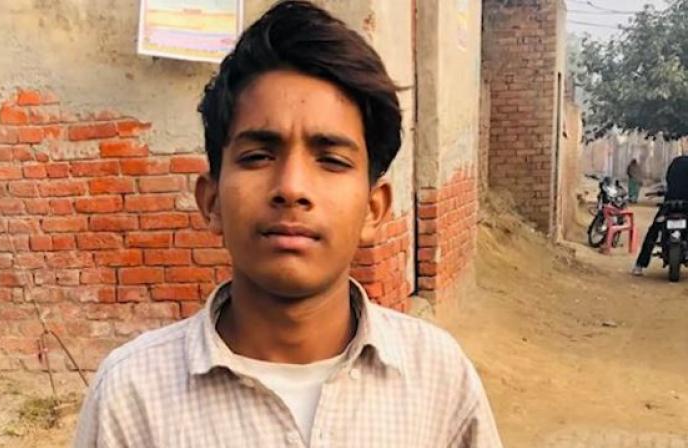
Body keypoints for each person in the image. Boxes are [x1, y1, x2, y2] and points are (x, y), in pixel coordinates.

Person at [73, 1, 502, 446]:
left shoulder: (439, 381)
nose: (292, 187)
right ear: (211, 201)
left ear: (373, 210)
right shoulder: (132, 396)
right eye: (258, 156)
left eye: (331, 160)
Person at [632, 154, 688, 276]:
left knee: (653, 232)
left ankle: (640, 264)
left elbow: (667, 183)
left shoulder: (676, 164)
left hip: (669, 206)